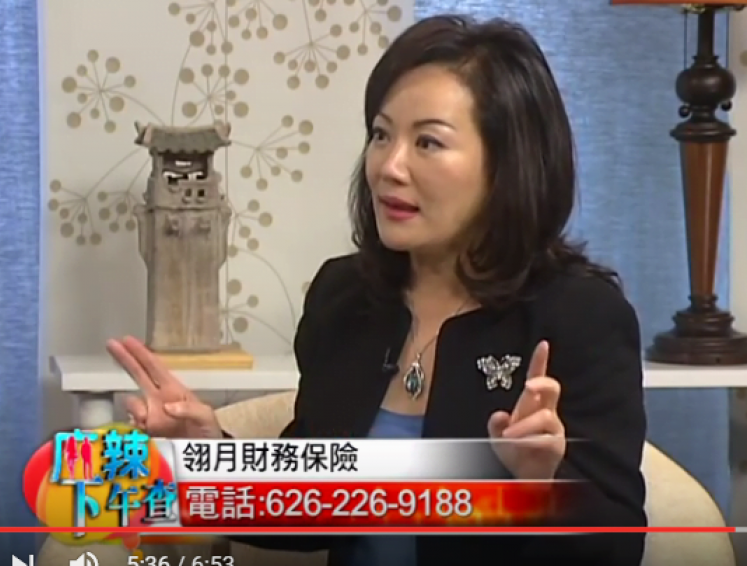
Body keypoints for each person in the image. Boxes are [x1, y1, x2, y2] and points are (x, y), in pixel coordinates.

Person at [106, 14, 647, 566]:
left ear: (507, 164)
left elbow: (618, 546)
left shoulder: (580, 316)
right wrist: (210, 455)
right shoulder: (345, 299)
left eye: (428, 142)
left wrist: (539, 486)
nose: (389, 166)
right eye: (381, 135)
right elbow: (311, 509)